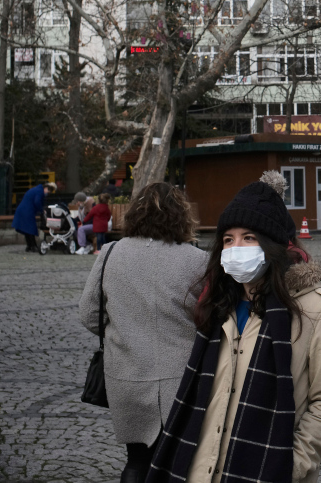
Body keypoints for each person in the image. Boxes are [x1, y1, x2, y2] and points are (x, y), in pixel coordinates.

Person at [148, 181, 321, 483]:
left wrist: (290, 463)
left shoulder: (315, 309)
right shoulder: (217, 306)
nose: (235, 248)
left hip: (270, 469)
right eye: (228, 240)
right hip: (202, 470)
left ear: (273, 245)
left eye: (249, 238)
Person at [78, 182, 208, 483]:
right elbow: (210, 319)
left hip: (126, 375)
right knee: (180, 461)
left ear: (134, 214)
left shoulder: (110, 253)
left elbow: (89, 314)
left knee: (136, 461)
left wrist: (124, 330)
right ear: (182, 216)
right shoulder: (198, 260)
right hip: (182, 378)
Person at [12, 182, 56, 252]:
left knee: (27, 229)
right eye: (48, 192)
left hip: (23, 210)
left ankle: (29, 246)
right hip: (27, 211)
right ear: (46, 188)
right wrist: (41, 210)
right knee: (31, 228)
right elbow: (37, 202)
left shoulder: (36, 189)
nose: (47, 194)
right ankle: (33, 246)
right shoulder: (39, 191)